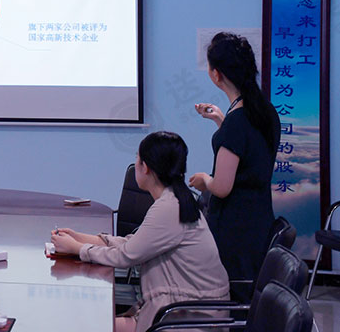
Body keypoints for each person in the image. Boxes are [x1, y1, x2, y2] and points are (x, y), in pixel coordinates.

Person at [50, 132, 229, 332]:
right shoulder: (175, 199)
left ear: (146, 167)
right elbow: (135, 243)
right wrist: (80, 239)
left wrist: (78, 249)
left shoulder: (169, 207)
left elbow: (126, 256)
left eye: (137, 158)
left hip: (187, 318)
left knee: (84, 326)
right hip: (184, 310)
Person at [190, 32, 281, 283]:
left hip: (235, 229)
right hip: (259, 219)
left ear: (216, 74)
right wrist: (221, 120)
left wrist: (204, 180)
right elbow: (249, 151)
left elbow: (221, 187)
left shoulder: (237, 123)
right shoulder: (265, 111)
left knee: (231, 291)